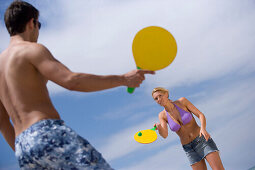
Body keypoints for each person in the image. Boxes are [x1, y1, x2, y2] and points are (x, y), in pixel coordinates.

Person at [0, 1, 155, 169]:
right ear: (32, 23)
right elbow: (71, 81)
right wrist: (123, 79)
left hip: (24, 149)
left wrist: (27, 148)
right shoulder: (31, 50)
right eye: (39, 25)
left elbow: (2, 121)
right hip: (47, 133)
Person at [152, 87, 224, 170]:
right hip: (189, 149)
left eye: (160, 96)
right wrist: (159, 128)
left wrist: (203, 129)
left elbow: (200, 115)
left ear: (166, 94)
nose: (159, 99)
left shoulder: (182, 101)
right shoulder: (162, 115)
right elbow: (164, 135)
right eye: (156, 99)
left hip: (202, 140)